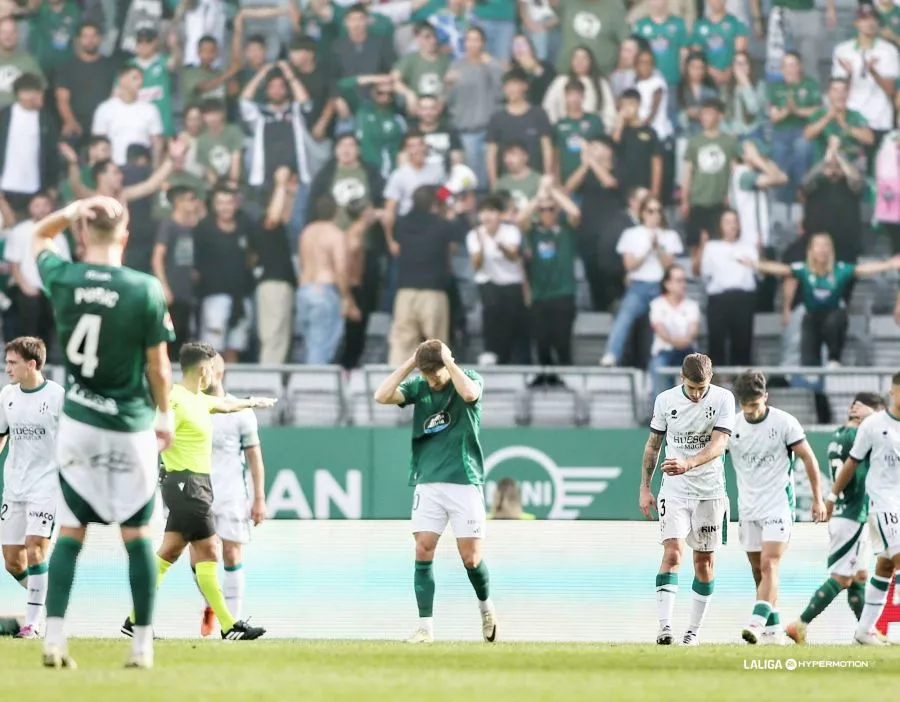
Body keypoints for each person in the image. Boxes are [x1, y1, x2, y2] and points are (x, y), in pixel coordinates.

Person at [33, 195, 174, 669]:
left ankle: (54, 638)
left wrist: (73, 209)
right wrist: (165, 415)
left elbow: (38, 237)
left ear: (81, 234)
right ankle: (142, 646)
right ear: (125, 237)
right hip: (129, 425)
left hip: (78, 422)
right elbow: (158, 366)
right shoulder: (144, 288)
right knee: (137, 534)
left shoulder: (64, 277)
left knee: (71, 530)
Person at [122, 342, 274, 644]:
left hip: (195, 485)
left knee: (170, 551)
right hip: (186, 485)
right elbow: (154, 435)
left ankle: (135, 620)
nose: (213, 374)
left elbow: (226, 405)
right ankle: (229, 625)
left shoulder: (199, 399)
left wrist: (253, 402)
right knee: (210, 551)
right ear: (203, 369)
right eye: (212, 368)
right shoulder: (175, 401)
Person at [373, 338, 497, 644]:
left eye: (435, 373)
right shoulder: (420, 386)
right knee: (423, 548)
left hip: (464, 480)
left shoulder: (469, 379)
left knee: (471, 559)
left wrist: (449, 361)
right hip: (428, 481)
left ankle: (486, 607)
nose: (431, 380)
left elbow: (469, 394)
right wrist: (411, 363)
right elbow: (381, 395)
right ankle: (425, 628)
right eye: (426, 374)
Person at [640, 353, 735, 646]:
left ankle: (693, 632)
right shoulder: (665, 401)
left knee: (704, 563)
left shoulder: (724, 399)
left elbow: (720, 444)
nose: (696, 394)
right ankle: (664, 627)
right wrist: (645, 487)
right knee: (672, 554)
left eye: (701, 388)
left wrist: (689, 463)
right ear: (681, 378)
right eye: (692, 388)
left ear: (711, 379)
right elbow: (653, 445)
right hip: (675, 490)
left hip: (710, 492)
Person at [729, 370, 824, 645]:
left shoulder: (784, 423)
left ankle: (756, 624)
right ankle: (773, 631)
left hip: (778, 505)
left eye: (755, 404)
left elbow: (808, 458)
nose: (751, 410)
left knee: (770, 563)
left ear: (766, 397)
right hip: (748, 507)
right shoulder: (732, 426)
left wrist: (817, 498)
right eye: (746, 405)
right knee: (757, 570)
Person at [786, 393, 886, 645]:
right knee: (842, 577)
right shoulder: (859, 436)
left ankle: (867, 631)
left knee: (859, 578)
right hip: (853, 513)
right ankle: (800, 623)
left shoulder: (839, 435)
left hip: (845, 512)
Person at [741, 233, 900, 368]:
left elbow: (863, 269)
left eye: (825, 245)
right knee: (809, 338)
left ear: (830, 250)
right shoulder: (804, 269)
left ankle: (833, 358)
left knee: (836, 317)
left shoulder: (840, 269)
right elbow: (782, 269)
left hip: (834, 318)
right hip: (812, 319)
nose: (822, 249)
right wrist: (755, 264)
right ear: (811, 250)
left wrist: (888, 264)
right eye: (818, 245)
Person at [195, 354, 267, 636]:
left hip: (232, 494)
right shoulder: (190, 407)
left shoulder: (241, 412)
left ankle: (233, 624)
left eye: (208, 370)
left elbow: (254, 457)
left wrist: (259, 498)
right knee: (200, 558)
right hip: (196, 491)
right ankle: (211, 604)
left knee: (231, 552)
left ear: (219, 374)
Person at [828, 372, 900, 645]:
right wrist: (832, 495)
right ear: (892, 393)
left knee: (885, 566)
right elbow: (852, 462)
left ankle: (864, 630)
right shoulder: (873, 425)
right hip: (881, 502)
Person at [0, 336, 64, 639]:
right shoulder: (7, 395)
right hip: (14, 488)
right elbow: (1, 435)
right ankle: (46, 600)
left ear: (32, 364)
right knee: (13, 561)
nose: (7, 368)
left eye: (12, 363)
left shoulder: (57, 396)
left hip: (46, 487)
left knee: (36, 548)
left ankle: (33, 623)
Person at [601, 196, 683, 368]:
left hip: (662, 287)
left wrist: (658, 249)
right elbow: (629, 265)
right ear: (643, 213)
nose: (655, 215)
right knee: (625, 315)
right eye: (650, 211)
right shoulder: (631, 234)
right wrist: (647, 250)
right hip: (639, 285)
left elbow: (669, 266)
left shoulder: (670, 235)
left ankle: (670, 359)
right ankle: (612, 353)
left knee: (665, 324)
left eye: (658, 211)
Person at [517, 177, 581, 377]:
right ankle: (546, 381)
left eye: (551, 209)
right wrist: (539, 196)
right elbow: (520, 219)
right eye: (542, 210)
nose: (547, 213)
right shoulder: (534, 232)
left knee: (562, 342)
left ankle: (567, 379)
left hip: (563, 293)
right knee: (542, 343)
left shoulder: (565, 229)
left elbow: (575, 213)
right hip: (539, 295)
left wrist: (552, 192)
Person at [388, 186, 455, 366]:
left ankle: (397, 380)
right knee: (436, 347)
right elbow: (452, 248)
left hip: (405, 290)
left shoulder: (401, 223)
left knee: (402, 343)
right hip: (433, 291)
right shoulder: (442, 225)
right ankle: (439, 381)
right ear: (434, 204)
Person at [298, 195, 361, 365]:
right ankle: (316, 381)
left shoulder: (306, 232)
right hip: (325, 290)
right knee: (322, 347)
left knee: (311, 344)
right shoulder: (336, 234)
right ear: (336, 212)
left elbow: (302, 263)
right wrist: (347, 298)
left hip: (305, 289)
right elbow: (341, 269)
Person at [466, 195, 527, 365]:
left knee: (511, 320)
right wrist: (481, 245)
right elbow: (476, 265)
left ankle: (510, 357)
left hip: (511, 281)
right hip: (488, 280)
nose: (487, 215)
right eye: (483, 211)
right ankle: (490, 351)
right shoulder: (474, 235)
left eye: (491, 211)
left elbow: (513, 255)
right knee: (491, 311)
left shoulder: (511, 231)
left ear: (499, 214)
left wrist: (498, 243)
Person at [681, 97, 741, 256]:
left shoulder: (729, 142)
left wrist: (730, 195)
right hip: (697, 201)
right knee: (694, 244)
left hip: (719, 202)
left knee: (718, 245)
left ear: (720, 116)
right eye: (703, 114)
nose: (705, 117)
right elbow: (687, 173)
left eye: (709, 113)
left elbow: (734, 171)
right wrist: (684, 200)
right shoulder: (694, 142)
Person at [698, 209, 757, 368]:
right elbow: (705, 274)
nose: (732, 225)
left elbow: (757, 273)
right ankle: (716, 380)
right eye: (727, 222)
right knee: (716, 342)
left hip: (743, 299)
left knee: (743, 343)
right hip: (719, 298)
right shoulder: (711, 247)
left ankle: (742, 380)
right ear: (720, 225)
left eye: (734, 221)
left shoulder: (749, 247)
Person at [152, 186, 200, 359]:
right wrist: (163, 286)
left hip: (186, 291)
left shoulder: (190, 228)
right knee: (170, 338)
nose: (195, 203)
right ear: (179, 202)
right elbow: (157, 257)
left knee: (183, 337)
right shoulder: (168, 225)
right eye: (191, 199)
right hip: (172, 291)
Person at [768, 51, 821, 207]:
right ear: (782, 69)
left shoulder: (810, 84)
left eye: (793, 65)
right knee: (779, 153)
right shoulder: (775, 87)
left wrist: (796, 111)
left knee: (802, 148)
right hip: (781, 132)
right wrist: (788, 110)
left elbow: (817, 110)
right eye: (786, 66)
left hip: (803, 130)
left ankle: (802, 195)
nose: (790, 69)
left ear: (800, 66)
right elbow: (774, 117)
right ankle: (782, 202)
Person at [486, 68, 553, 189]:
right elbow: (491, 155)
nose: (511, 89)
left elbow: (547, 148)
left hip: (536, 183)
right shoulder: (497, 118)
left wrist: (547, 178)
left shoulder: (539, 114)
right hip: (506, 184)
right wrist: (494, 185)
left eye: (514, 84)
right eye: (507, 86)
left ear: (525, 86)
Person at [647, 265, 700, 403]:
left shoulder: (692, 305)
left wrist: (686, 340)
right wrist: (674, 341)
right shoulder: (657, 304)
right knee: (658, 365)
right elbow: (660, 328)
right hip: (664, 351)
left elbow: (693, 329)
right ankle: (660, 410)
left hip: (687, 352)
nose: (683, 284)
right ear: (667, 284)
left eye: (684, 280)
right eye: (679, 280)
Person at [542, 46, 616, 131]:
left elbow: (609, 112)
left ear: (590, 61)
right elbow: (549, 107)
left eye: (584, 58)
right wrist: (556, 130)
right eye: (576, 58)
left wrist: (601, 131)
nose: (579, 62)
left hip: (594, 132)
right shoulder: (560, 81)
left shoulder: (601, 83)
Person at [690, 0, 749, 89]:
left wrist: (728, 71)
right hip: (706, 80)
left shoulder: (736, 24)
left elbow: (740, 54)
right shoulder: (699, 26)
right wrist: (711, 71)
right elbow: (696, 56)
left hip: (732, 80)